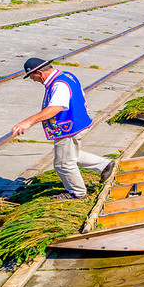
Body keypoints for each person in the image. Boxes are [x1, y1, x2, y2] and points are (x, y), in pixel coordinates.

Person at [10, 58, 115, 199]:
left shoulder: (58, 85)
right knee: (71, 154)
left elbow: (56, 108)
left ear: (39, 73)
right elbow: (80, 95)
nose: (34, 80)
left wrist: (28, 122)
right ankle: (105, 165)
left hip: (68, 128)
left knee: (63, 164)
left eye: (32, 77)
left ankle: (77, 193)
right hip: (79, 123)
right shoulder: (67, 75)